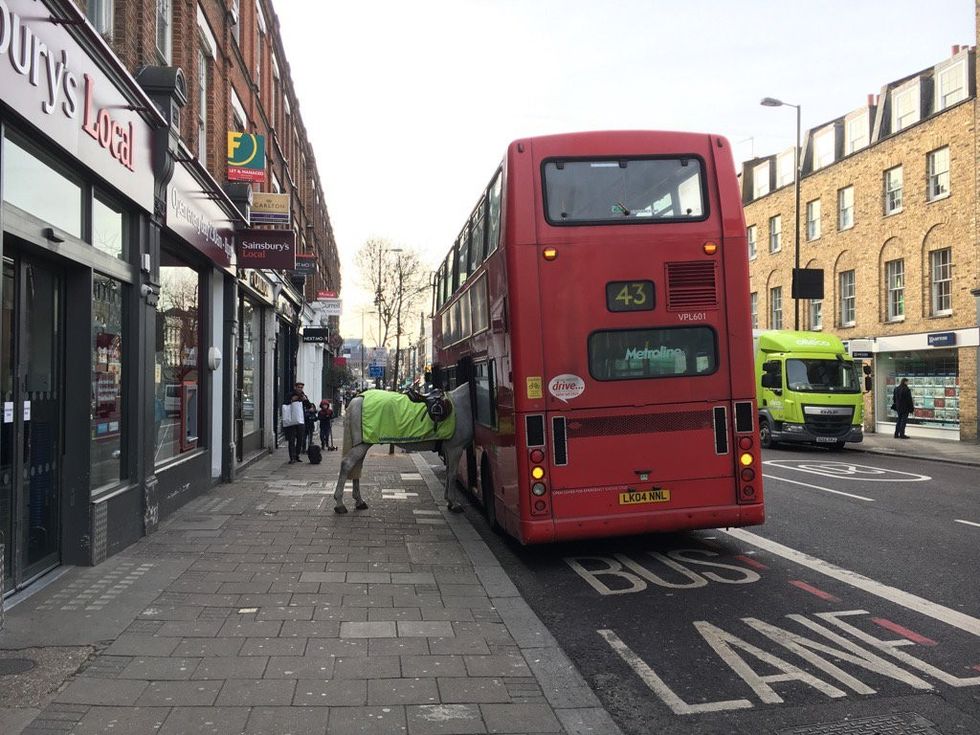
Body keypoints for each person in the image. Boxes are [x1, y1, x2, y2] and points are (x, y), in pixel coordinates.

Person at [284, 381, 311, 463]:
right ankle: (292, 457)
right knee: (291, 439)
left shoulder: (303, 396)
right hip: (292, 420)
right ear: (295, 387)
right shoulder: (290, 395)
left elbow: (309, 406)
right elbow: (284, 405)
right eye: (298, 387)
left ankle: (297, 455)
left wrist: (305, 400)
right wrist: (291, 400)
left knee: (300, 439)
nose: (300, 389)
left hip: (301, 420)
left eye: (301, 387)